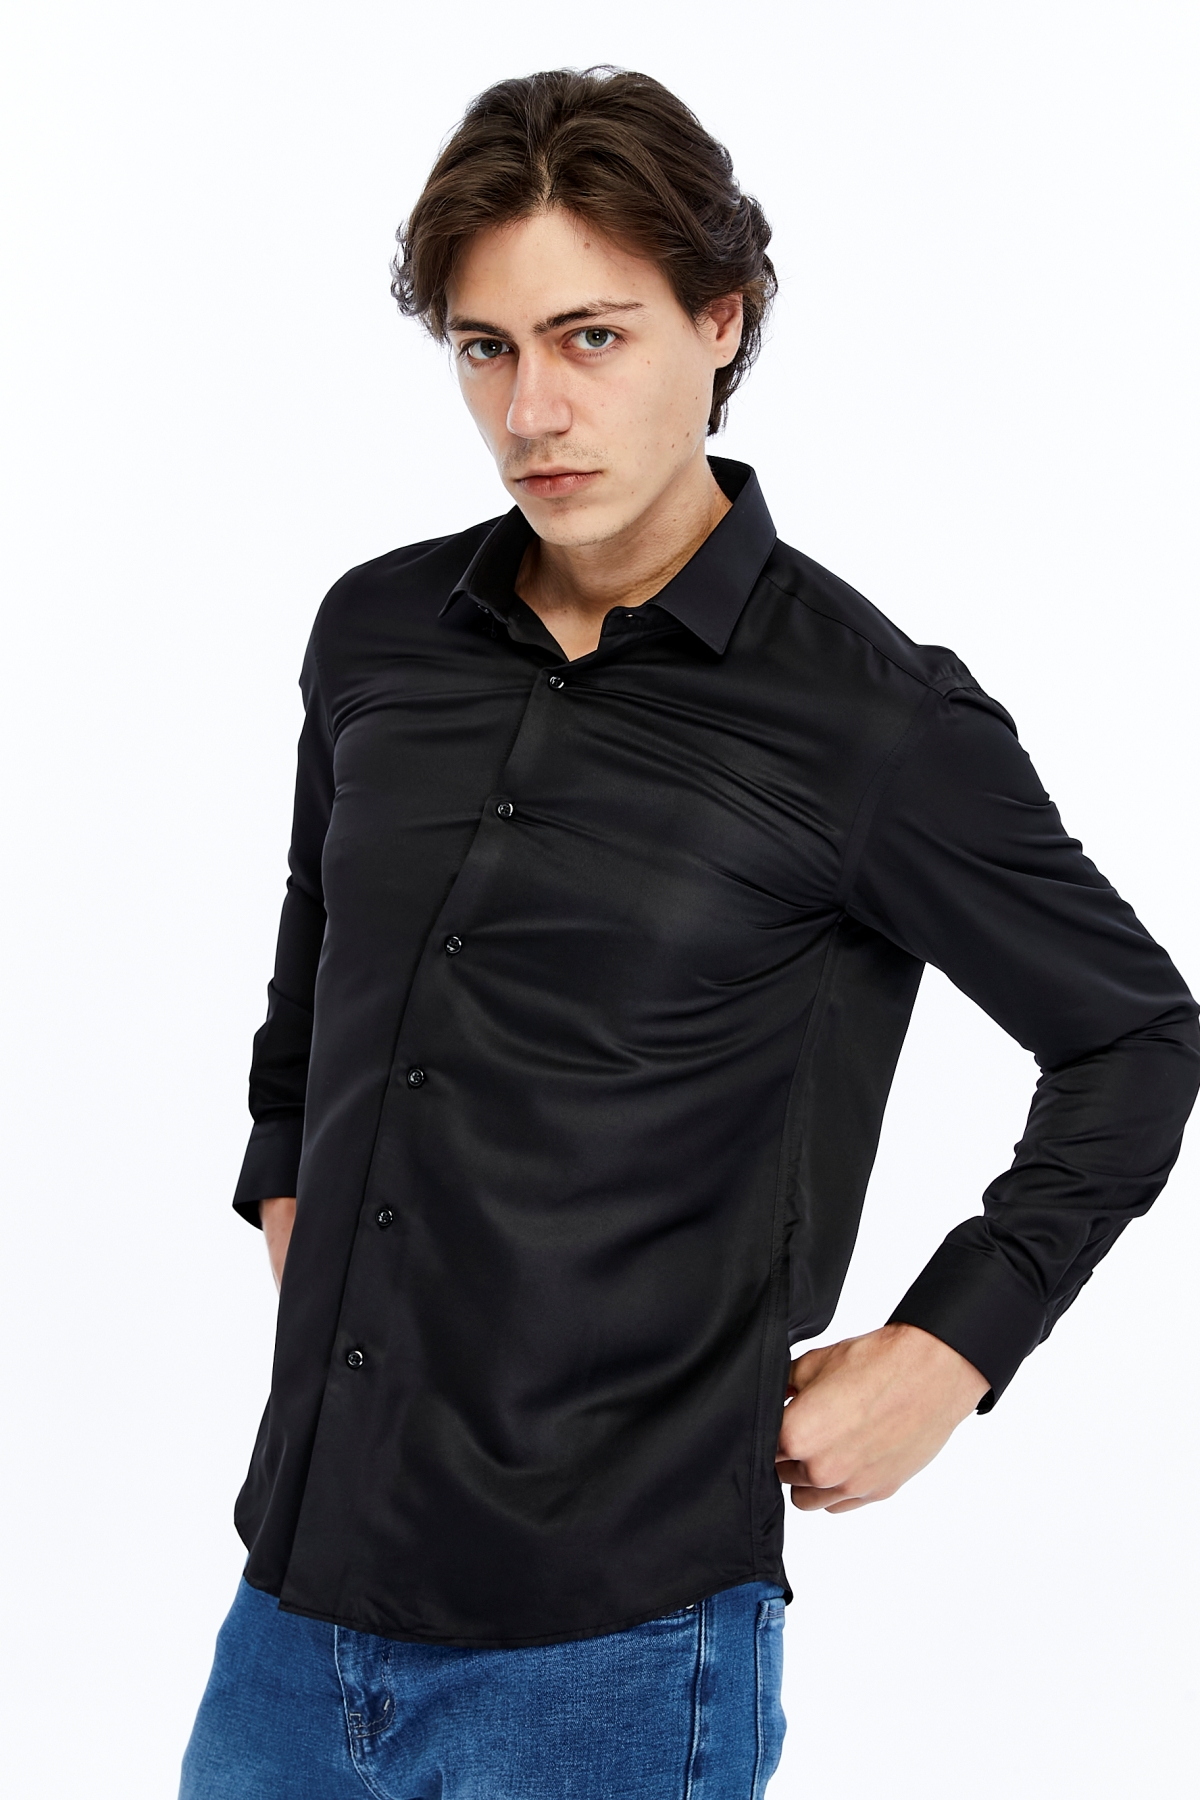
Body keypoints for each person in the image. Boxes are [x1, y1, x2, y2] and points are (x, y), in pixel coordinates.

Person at [179, 66, 1199, 1800]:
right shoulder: (376, 635)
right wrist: (289, 1171)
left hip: (618, 1654)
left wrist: (955, 1344)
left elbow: (1137, 1035)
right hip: (291, 1602)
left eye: (592, 337)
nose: (532, 413)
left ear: (719, 323)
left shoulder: (873, 722)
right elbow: (316, 947)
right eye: (487, 349)